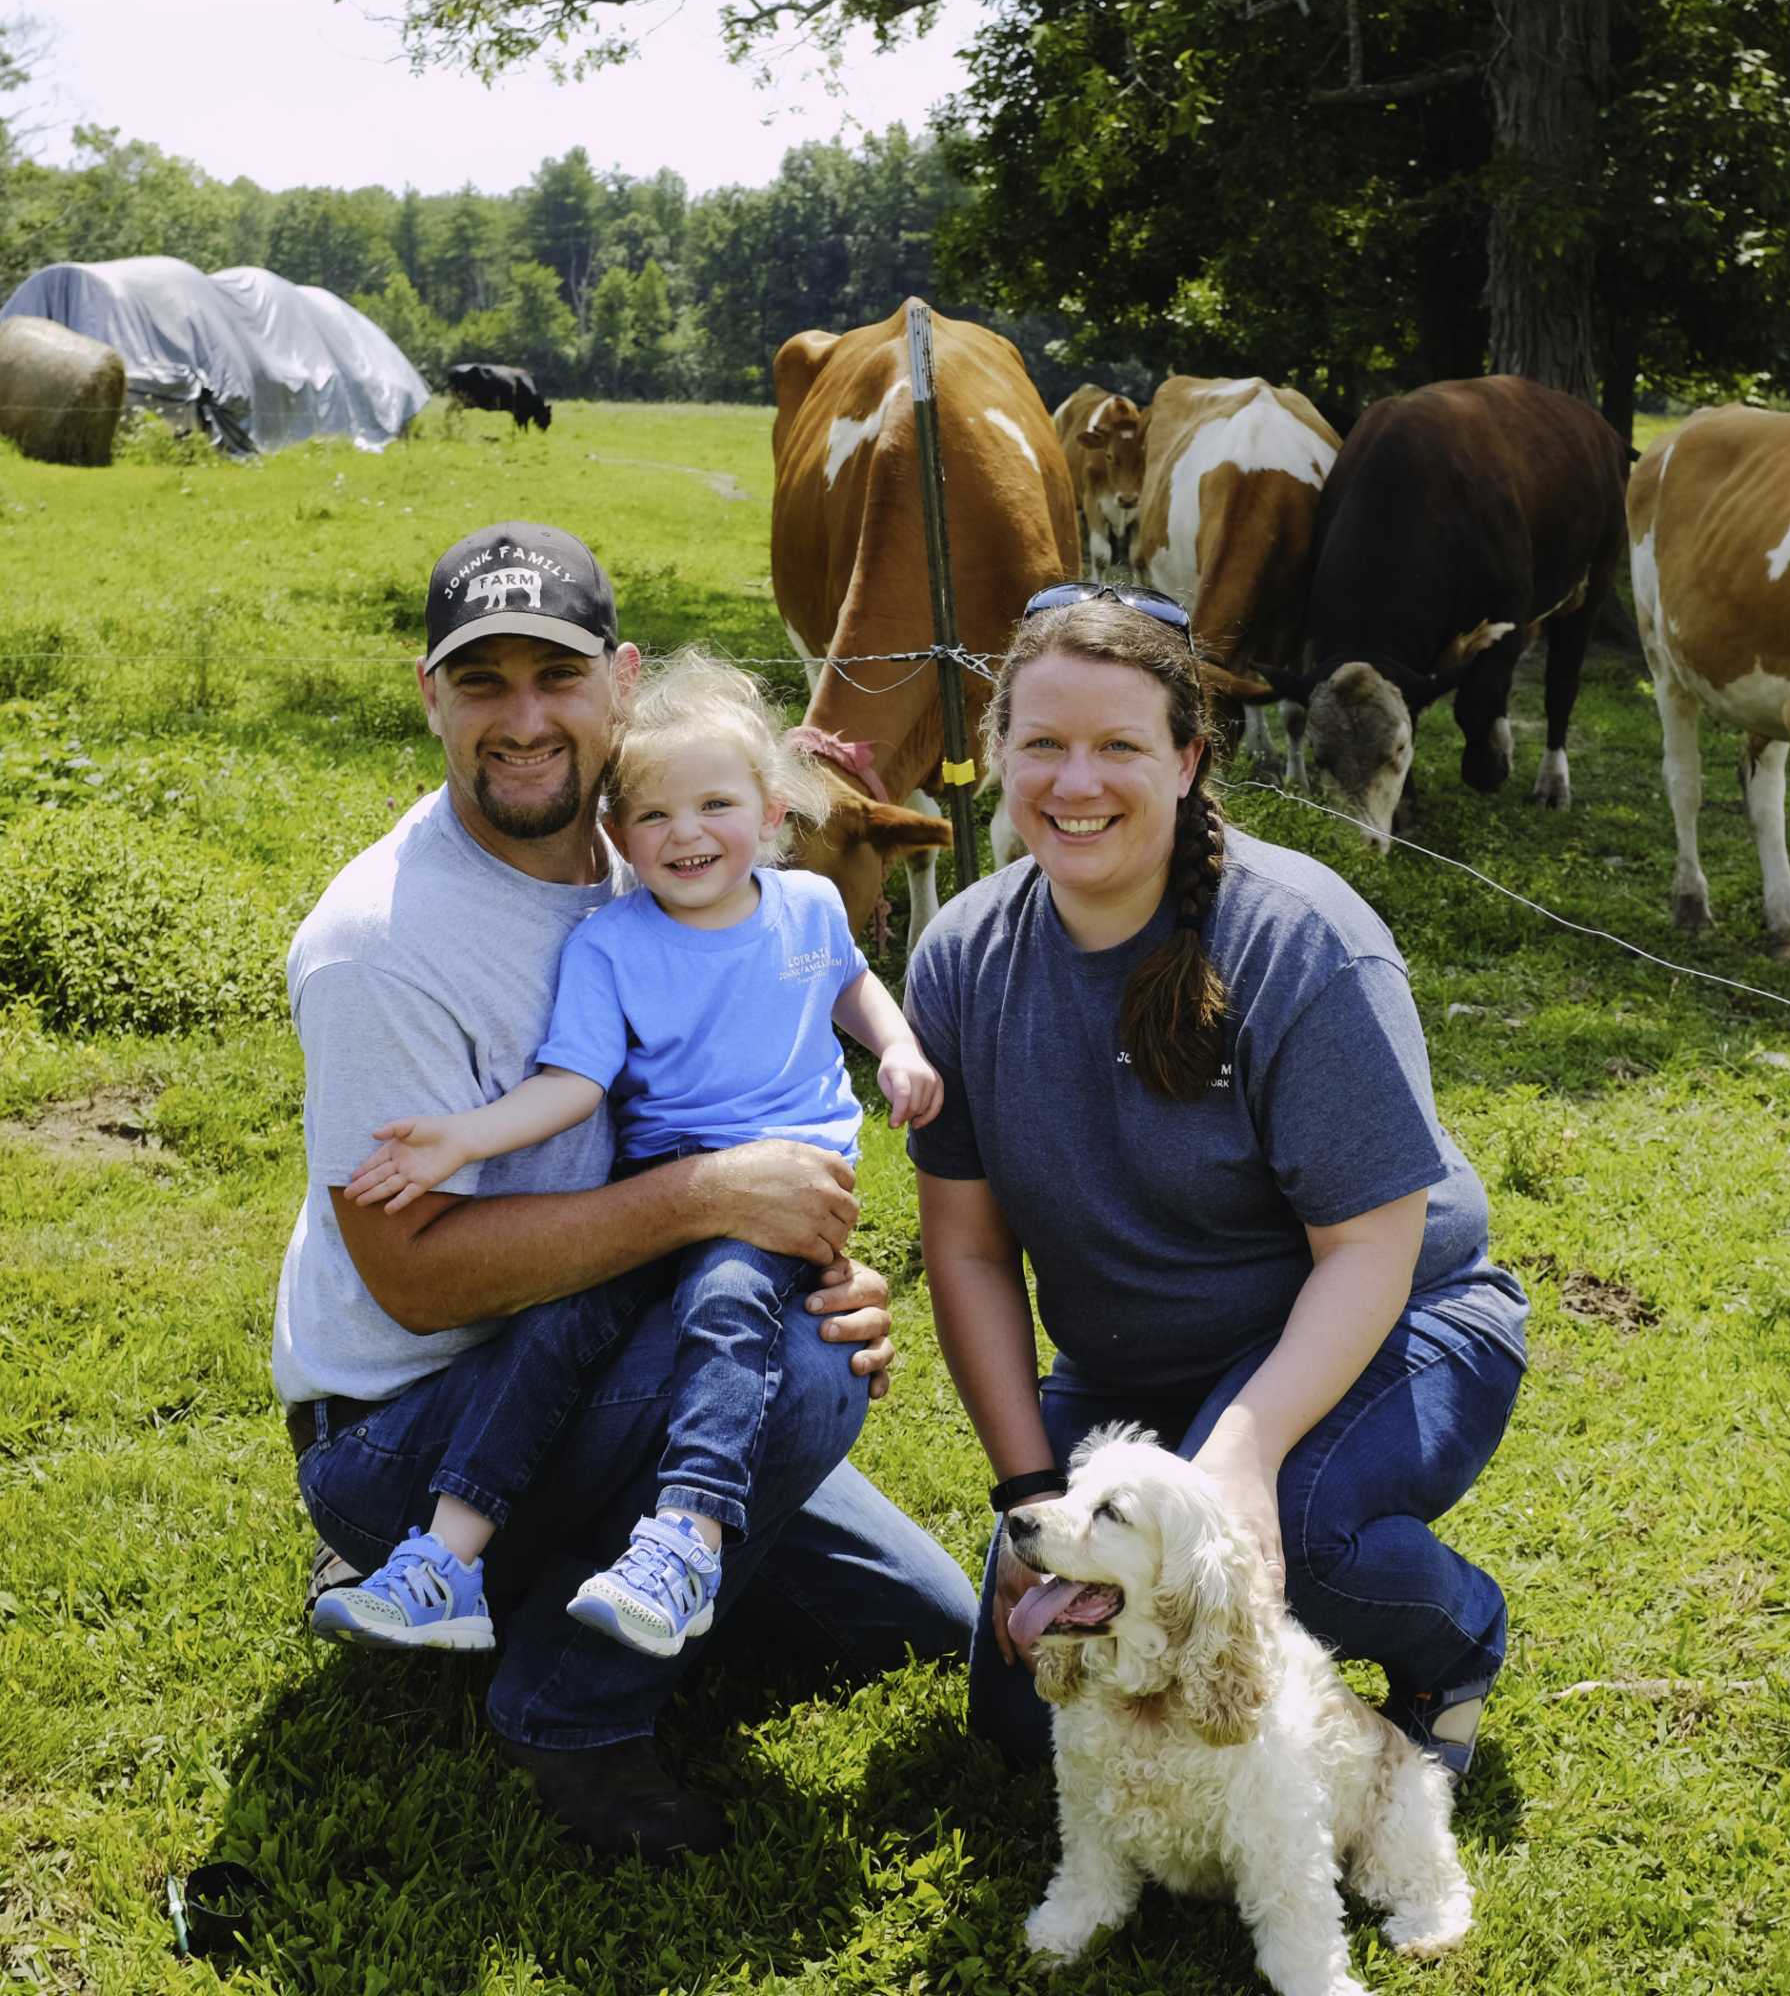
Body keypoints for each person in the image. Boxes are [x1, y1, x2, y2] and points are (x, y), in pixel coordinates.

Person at [273, 520, 975, 1863]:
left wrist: (823, 1265)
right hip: (408, 1419)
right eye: (483, 682)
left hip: (628, 1335)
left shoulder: (657, 856)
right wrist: (720, 1200)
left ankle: (557, 1571)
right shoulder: (381, 943)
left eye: (559, 675)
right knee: (802, 1379)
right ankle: (561, 1702)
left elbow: (790, 1031)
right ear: (430, 697)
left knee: (916, 1624)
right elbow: (413, 1278)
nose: (525, 720)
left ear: (624, 685)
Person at [905, 585, 1527, 1780]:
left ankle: (1454, 1638)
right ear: (995, 757)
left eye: (1117, 746)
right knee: (1020, 1710)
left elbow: (1367, 1246)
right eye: (1041, 743)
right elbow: (969, 1249)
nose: (1073, 783)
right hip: (1134, 1364)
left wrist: (1239, 1452)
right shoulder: (961, 959)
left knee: (1261, 1532)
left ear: (1188, 759)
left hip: (1392, 1320)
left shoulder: (1301, 939)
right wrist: (1031, 1496)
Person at [318, 648, 943, 1662]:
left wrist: (902, 1048)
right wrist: (460, 1137)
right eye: (653, 815)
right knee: (559, 1327)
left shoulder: (805, 909)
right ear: (617, 831)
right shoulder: (610, 938)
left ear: (773, 809)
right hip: (660, 1182)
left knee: (736, 1311)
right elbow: (572, 1081)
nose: (685, 832)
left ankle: (683, 1541)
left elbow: (852, 985)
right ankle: (445, 1560)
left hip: (778, 1193)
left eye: (714, 805)